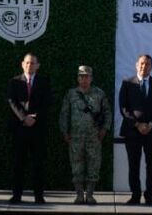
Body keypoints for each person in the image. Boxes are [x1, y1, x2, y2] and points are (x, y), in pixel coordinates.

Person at [118, 54, 152, 205]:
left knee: (151, 166)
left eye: (147, 64)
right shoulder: (127, 83)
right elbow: (124, 108)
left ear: (151, 67)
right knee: (134, 165)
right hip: (132, 132)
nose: (144, 66)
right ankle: (135, 195)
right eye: (141, 63)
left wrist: (151, 124)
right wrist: (137, 124)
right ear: (136, 65)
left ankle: (149, 196)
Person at [59, 65, 111, 205]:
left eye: (87, 76)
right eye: (81, 76)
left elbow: (107, 113)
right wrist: (65, 131)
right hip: (75, 137)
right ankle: (79, 195)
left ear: (91, 78)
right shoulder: (71, 94)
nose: (84, 79)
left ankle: (90, 195)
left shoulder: (99, 93)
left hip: (94, 136)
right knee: (76, 166)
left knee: (93, 165)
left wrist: (104, 129)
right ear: (78, 78)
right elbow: (64, 114)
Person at [7, 53, 50, 204]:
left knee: (38, 164)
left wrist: (34, 117)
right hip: (20, 128)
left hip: (37, 129)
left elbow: (47, 103)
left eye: (32, 63)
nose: (29, 65)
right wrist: (24, 117)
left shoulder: (44, 82)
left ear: (38, 65)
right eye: (27, 63)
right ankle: (16, 195)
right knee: (18, 163)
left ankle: (39, 196)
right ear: (22, 64)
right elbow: (12, 102)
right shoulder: (14, 82)